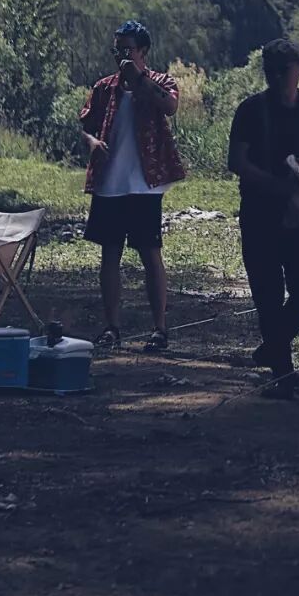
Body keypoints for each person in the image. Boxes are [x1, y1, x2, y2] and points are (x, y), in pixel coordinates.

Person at [228, 37, 299, 398]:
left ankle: (273, 346)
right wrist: (271, 182)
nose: (275, 76)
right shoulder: (250, 109)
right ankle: (282, 374)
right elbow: (237, 161)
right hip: (259, 210)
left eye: (282, 70)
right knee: (267, 292)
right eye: (269, 70)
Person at [80, 19, 184, 352]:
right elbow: (85, 124)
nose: (121, 56)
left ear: (143, 51)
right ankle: (111, 327)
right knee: (109, 255)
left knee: (150, 255)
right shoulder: (103, 88)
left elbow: (170, 106)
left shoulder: (160, 82)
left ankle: (159, 329)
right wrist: (92, 142)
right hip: (109, 184)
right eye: (117, 50)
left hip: (145, 185)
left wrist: (138, 78)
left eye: (127, 49)